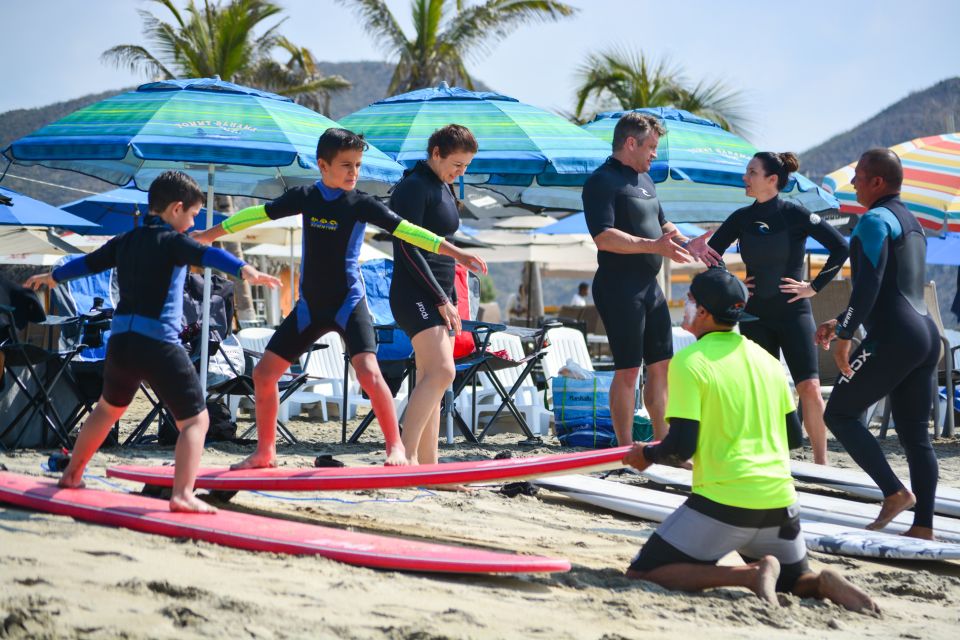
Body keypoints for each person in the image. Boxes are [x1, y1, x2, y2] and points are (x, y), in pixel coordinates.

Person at [193, 128, 485, 470]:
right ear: (322, 165)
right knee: (264, 374)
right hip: (310, 306)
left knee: (368, 372)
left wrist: (457, 254)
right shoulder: (304, 197)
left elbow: (409, 231)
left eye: (358, 165)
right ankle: (265, 452)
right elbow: (256, 215)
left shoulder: (361, 203)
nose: (354, 173)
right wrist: (209, 235)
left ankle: (395, 448)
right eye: (346, 165)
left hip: (348, 303)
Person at [622, 268, 878, 613]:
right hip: (781, 503)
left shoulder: (690, 361)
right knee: (793, 582)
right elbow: (791, 436)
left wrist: (646, 454)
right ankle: (818, 581)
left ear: (704, 313)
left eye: (691, 298)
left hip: (724, 503)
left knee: (642, 572)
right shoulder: (767, 361)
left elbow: (681, 446)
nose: (685, 303)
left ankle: (748, 575)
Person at [24, 171, 280, 513]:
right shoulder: (173, 241)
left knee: (107, 409)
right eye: (191, 216)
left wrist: (52, 276)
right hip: (157, 343)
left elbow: (87, 263)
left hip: (121, 343)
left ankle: (72, 474)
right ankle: (182, 495)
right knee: (195, 422)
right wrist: (246, 270)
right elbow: (210, 256)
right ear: (176, 209)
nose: (191, 225)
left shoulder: (124, 241)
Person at [692, 152, 849, 465]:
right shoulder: (741, 217)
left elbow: (841, 247)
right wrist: (733, 282)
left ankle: (821, 463)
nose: (745, 178)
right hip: (755, 316)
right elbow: (712, 255)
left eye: (751, 172)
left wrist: (813, 287)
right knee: (762, 388)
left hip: (794, 313)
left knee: (810, 387)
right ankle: (769, 455)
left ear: (772, 179)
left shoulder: (796, 214)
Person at [816, 149, 941, 540]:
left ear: (877, 183)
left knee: (839, 414)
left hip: (894, 337)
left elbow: (869, 284)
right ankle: (923, 527)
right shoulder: (913, 223)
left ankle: (894, 492)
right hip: (925, 333)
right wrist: (843, 321)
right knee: (916, 436)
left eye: (859, 176)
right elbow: (895, 289)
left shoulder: (872, 220)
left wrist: (846, 336)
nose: (853, 183)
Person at [582, 111, 714, 443]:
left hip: (649, 287)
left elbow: (663, 224)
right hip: (618, 287)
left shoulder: (646, 180)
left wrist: (689, 243)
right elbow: (604, 236)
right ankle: (625, 448)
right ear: (630, 143)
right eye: (651, 147)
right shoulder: (601, 181)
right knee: (628, 370)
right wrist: (654, 245)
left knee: (662, 366)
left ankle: (662, 443)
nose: (654, 154)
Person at [388, 124, 487, 465]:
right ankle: (405, 456)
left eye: (466, 166)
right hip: (415, 291)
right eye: (457, 164)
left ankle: (429, 467)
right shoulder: (414, 187)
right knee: (443, 372)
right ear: (435, 153)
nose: (461, 172)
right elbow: (408, 247)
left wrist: (457, 270)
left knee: (435, 376)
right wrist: (441, 298)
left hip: (436, 292)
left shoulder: (440, 187)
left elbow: (439, 243)